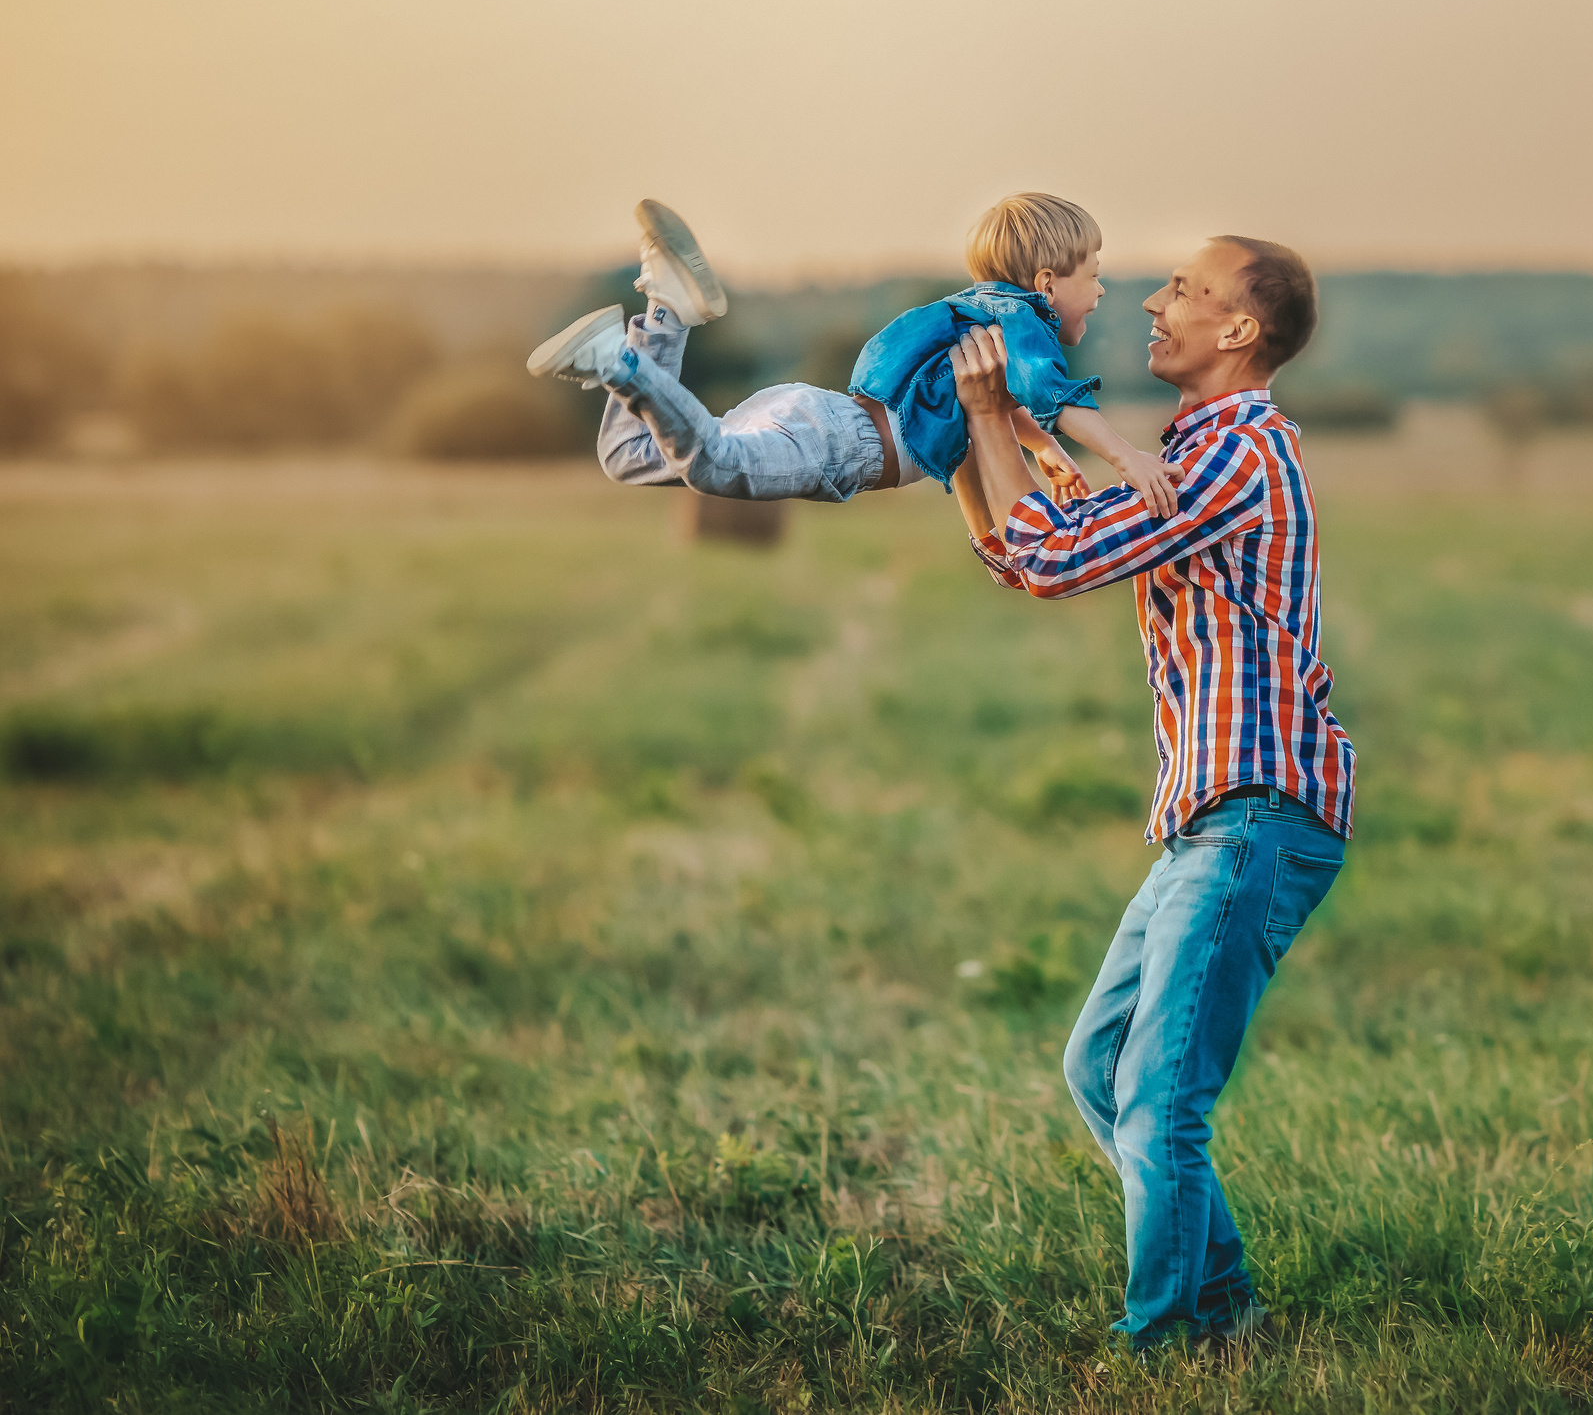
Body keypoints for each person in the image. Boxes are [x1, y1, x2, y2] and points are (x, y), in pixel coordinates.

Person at [942, 236, 1355, 1351]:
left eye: (1187, 289)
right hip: (1208, 818)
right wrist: (984, 429)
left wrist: (994, 421)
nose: (1154, 300)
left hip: (1256, 807)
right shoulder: (1183, 451)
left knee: (1160, 1096)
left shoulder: (1236, 451)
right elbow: (1028, 552)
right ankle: (1219, 1308)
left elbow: (1062, 553)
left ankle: (1172, 1337)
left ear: (1238, 332)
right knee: (1100, 1066)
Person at [523, 194, 1179, 511]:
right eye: (1093, 274)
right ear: (1045, 283)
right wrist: (1127, 456)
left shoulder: (985, 318)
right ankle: (621, 361)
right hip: (841, 441)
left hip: (815, 412)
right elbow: (1057, 394)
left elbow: (1007, 405)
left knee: (627, 457)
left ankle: (666, 308)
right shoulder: (1023, 319)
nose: (1099, 292)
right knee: (714, 466)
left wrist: (1044, 452)